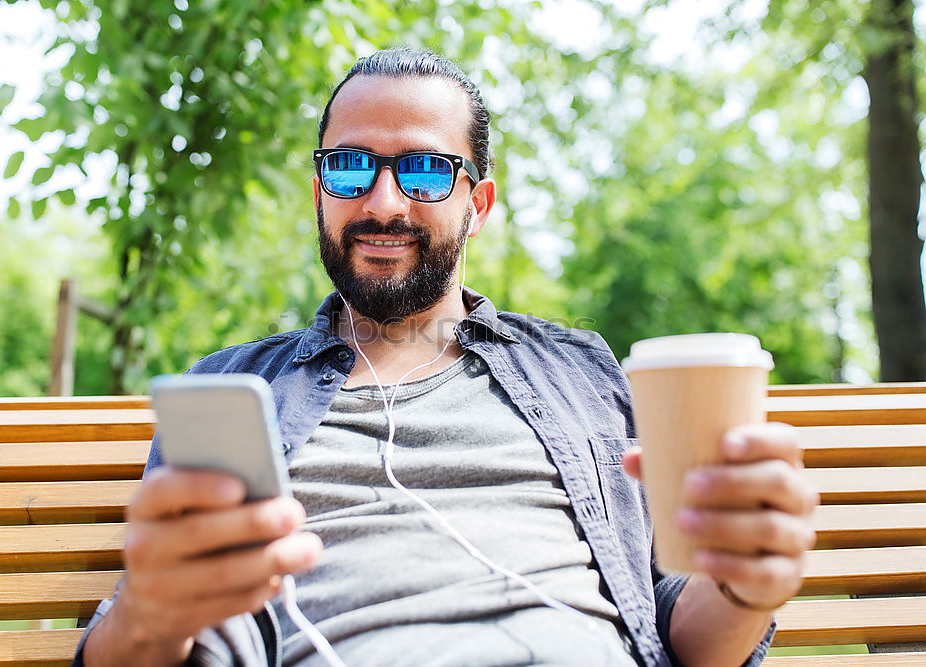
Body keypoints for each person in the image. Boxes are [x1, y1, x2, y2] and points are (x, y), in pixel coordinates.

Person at [75, 48, 818, 667]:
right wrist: (149, 613)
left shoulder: (580, 371)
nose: (384, 202)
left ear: (479, 203)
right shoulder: (237, 391)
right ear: (319, 193)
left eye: (426, 170)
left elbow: (681, 636)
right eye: (349, 166)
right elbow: (143, 634)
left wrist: (744, 586)